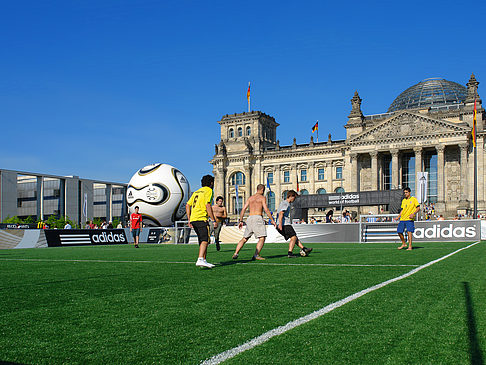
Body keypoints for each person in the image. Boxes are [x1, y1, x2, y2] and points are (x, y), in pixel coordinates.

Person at [232, 184, 276, 260]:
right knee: (262, 237)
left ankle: (236, 253)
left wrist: (241, 220)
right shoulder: (262, 198)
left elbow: (243, 209)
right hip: (257, 218)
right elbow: (266, 209)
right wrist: (272, 220)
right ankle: (256, 255)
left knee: (245, 238)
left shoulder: (250, 198)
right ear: (262, 189)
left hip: (249, 218)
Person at [186, 175, 218, 269]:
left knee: (202, 241)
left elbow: (188, 205)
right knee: (205, 240)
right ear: (211, 183)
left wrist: (189, 219)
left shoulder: (196, 192)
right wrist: (213, 220)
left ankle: (204, 260)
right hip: (201, 218)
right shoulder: (209, 191)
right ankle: (200, 259)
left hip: (194, 219)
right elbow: (208, 205)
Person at [276, 190, 313, 258]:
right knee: (293, 237)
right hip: (284, 224)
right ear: (291, 196)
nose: (294, 199)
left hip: (283, 224)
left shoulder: (285, 203)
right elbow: (281, 213)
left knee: (294, 237)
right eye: (294, 197)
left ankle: (304, 249)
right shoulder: (286, 203)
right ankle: (290, 253)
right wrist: (280, 224)